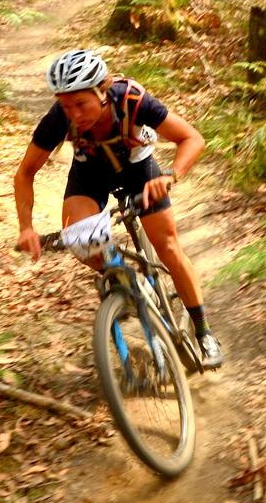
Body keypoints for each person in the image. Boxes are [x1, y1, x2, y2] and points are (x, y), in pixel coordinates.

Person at [13, 49, 224, 369]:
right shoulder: (59, 118)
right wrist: (26, 227)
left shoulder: (132, 99)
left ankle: (203, 331)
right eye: (65, 104)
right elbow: (25, 173)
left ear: (102, 91)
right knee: (78, 239)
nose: (73, 113)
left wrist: (170, 176)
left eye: (80, 103)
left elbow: (192, 138)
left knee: (167, 246)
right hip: (90, 175)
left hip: (140, 173)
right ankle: (126, 285)